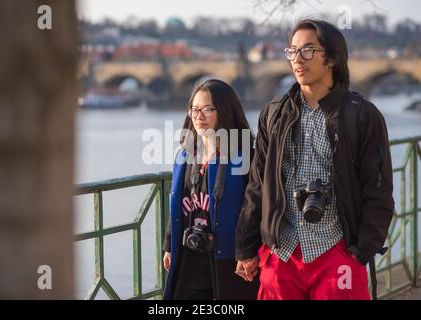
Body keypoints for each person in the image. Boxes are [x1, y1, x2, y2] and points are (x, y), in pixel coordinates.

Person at [235, 19, 394, 300]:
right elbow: (257, 185)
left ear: (331, 58)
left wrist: (361, 250)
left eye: (307, 51)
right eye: (292, 51)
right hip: (281, 253)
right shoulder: (273, 113)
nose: (297, 59)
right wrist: (246, 248)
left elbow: (378, 189)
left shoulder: (362, 115)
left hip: (337, 251)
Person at [163, 79, 259, 300]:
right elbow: (177, 204)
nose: (199, 116)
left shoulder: (248, 157)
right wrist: (169, 244)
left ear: (225, 111)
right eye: (195, 109)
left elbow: (255, 209)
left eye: (208, 109)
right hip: (190, 256)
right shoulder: (185, 156)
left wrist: (250, 251)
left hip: (229, 259)